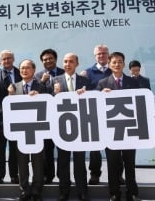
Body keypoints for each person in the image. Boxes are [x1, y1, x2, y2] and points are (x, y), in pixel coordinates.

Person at [97, 52, 140, 201]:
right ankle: (114, 193)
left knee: (129, 163)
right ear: (109, 64)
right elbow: (95, 106)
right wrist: (101, 95)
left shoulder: (134, 82)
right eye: (114, 62)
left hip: (129, 129)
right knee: (112, 163)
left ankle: (132, 192)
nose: (117, 64)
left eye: (120, 62)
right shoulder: (102, 83)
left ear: (124, 63)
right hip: (111, 130)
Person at [52, 53, 91, 201]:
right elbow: (48, 101)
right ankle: (64, 191)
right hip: (62, 128)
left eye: (71, 62)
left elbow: (92, 101)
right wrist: (54, 93)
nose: (68, 64)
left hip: (80, 127)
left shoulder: (85, 81)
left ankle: (82, 191)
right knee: (63, 161)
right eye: (65, 61)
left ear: (77, 63)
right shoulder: (55, 80)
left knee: (80, 161)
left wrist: (85, 94)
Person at [7, 59, 46, 201]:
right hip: (20, 131)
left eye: (27, 68)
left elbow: (48, 106)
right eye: (22, 68)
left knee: (37, 162)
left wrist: (40, 96)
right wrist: (10, 96)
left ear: (34, 70)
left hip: (37, 130)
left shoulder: (41, 86)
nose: (24, 70)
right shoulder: (13, 87)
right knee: (22, 162)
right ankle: (24, 189)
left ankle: (37, 190)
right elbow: (9, 109)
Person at [81, 44, 112, 185]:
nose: (102, 56)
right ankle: (94, 174)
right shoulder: (87, 73)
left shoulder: (115, 70)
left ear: (108, 54)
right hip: (94, 115)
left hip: (113, 114)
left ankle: (117, 175)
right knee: (94, 149)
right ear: (95, 56)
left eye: (104, 53)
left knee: (115, 148)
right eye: (99, 54)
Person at [0, 50, 21, 184]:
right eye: (4, 59)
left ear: (13, 59)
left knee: (14, 149)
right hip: (0, 118)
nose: (6, 61)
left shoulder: (21, 72)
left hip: (17, 117)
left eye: (9, 58)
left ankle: (14, 175)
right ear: (0, 61)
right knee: (0, 149)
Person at [34, 48, 64, 185]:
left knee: (64, 149)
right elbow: (34, 95)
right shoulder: (37, 76)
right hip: (45, 117)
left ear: (55, 59)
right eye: (45, 59)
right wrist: (41, 82)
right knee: (47, 148)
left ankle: (63, 177)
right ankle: (49, 175)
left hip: (63, 116)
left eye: (50, 58)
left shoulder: (64, 73)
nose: (48, 61)